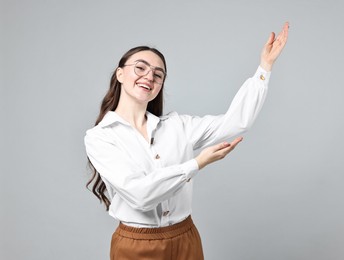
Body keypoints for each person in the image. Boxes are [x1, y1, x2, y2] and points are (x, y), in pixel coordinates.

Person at [85, 22, 289, 260]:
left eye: (158, 74)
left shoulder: (177, 126)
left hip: (186, 237)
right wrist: (196, 164)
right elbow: (139, 194)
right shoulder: (100, 137)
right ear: (120, 74)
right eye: (140, 68)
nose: (149, 76)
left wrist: (264, 67)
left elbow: (236, 122)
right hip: (135, 245)